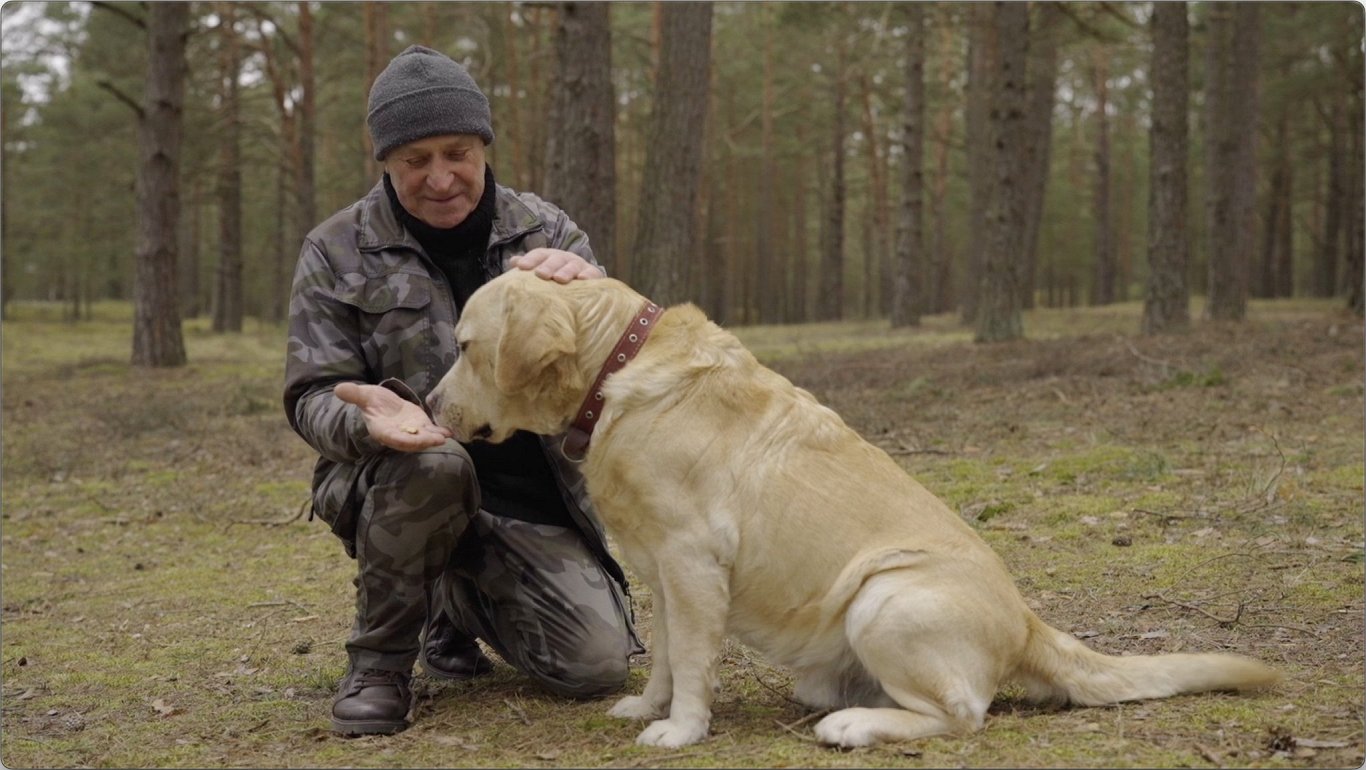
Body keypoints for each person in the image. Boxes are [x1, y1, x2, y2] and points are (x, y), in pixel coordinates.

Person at [283, 44, 641, 736]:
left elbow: (612, 374)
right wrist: (365, 424)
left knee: (594, 666)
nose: (440, 178)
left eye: (456, 153)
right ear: (385, 162)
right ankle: (381, 664)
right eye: (416, 160)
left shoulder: (547, 232)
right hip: (396, 482)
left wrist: (600, 300)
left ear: (483, 147)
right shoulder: (336, 250)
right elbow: (309, 394)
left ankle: (453, 600)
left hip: (530, 496)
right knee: (435, 464)